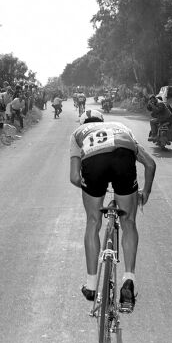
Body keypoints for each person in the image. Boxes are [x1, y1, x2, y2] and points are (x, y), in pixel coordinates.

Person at [69, 109, 156, 310]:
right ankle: (128, 279)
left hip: (94, 162)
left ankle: (91, 286)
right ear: (102, 120)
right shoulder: (122, 127)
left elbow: (74, 177)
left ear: (83, 122)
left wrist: (94, 188)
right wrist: (145, 193)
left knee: (93, 221)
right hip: (123, 157)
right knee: (129, 222)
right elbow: (150, 164)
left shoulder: (78, 133)